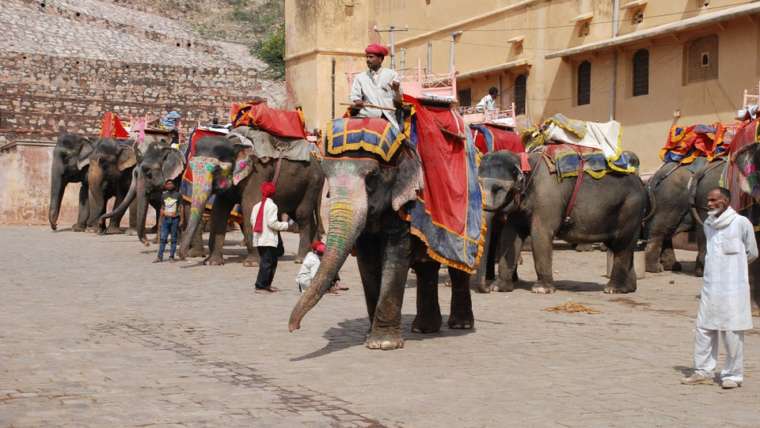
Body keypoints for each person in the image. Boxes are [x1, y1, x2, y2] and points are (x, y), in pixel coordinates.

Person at [682, 187, 757, 389]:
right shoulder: (708, 224)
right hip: (711, 285)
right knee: (704, 328)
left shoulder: (741, 223)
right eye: (708, 200)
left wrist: (734, 270)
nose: (710, 203)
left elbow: (752, 252)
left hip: (734, 287)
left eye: (714, 200)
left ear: (725, 201)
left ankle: (733, 374)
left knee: (732, 331)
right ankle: (702, 371)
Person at [251, 181, 293, 293]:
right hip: (268, 239)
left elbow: (252, 221)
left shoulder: (256, 206)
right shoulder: (272, 206)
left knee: (269, 262)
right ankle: (260, 286)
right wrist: (285, 225)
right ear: (273, 193)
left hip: (259, 238)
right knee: (267, 263)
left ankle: (267, 285)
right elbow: (272, 223)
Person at [350, 43, 402, 130]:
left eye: (371, 57)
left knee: (398, 140)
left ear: (380, 59)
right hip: (366, 116)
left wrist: (396, 91)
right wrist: (358, 101)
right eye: (367, 57)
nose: (367, 60)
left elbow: (398, 103)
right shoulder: (360, 77)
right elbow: (355, 96)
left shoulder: (392, 75)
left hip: (387, 118)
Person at [154, 180, 182, 263]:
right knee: (163, 238)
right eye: (167, 184)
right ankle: (159, 257)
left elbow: (181, 208)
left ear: (174, 185)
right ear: (165, 186)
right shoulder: (163, 195)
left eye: (171, 184)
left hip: (175, 219)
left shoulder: (178, 195)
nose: (169, 185)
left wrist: (182, 220)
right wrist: (159, 220)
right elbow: (162, 208)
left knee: (173, 239)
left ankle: (171, 257)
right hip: (165, 219)